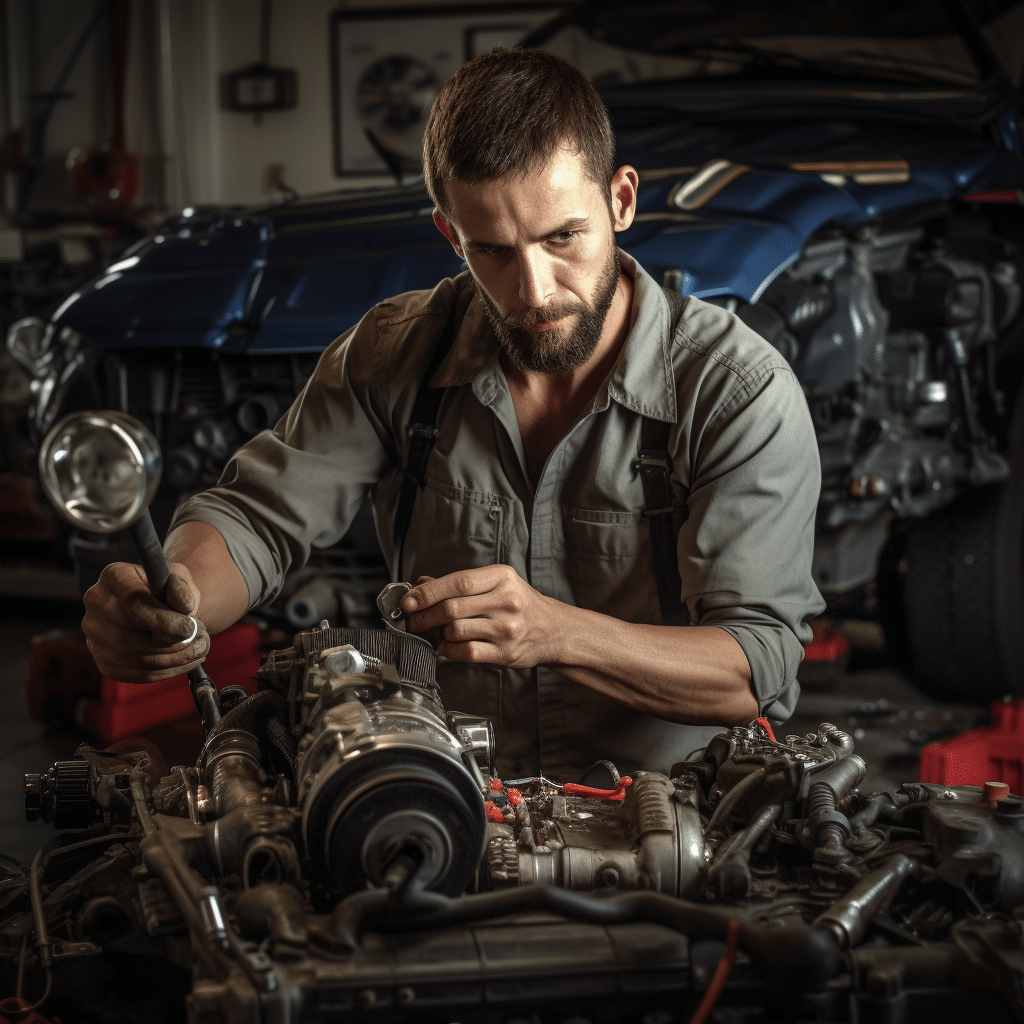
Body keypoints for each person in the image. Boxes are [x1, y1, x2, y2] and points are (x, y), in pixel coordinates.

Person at [82, 48, 823, 780]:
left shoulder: (736, 391)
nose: (534, 290)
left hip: (669, 819)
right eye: (493, 251)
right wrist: (176, 598)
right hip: (447, 799)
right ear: (450, 235)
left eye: (562, 237)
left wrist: (555, 633)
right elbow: (257, 517)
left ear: (621, 201)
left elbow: (751, 667)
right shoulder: (394, 353)